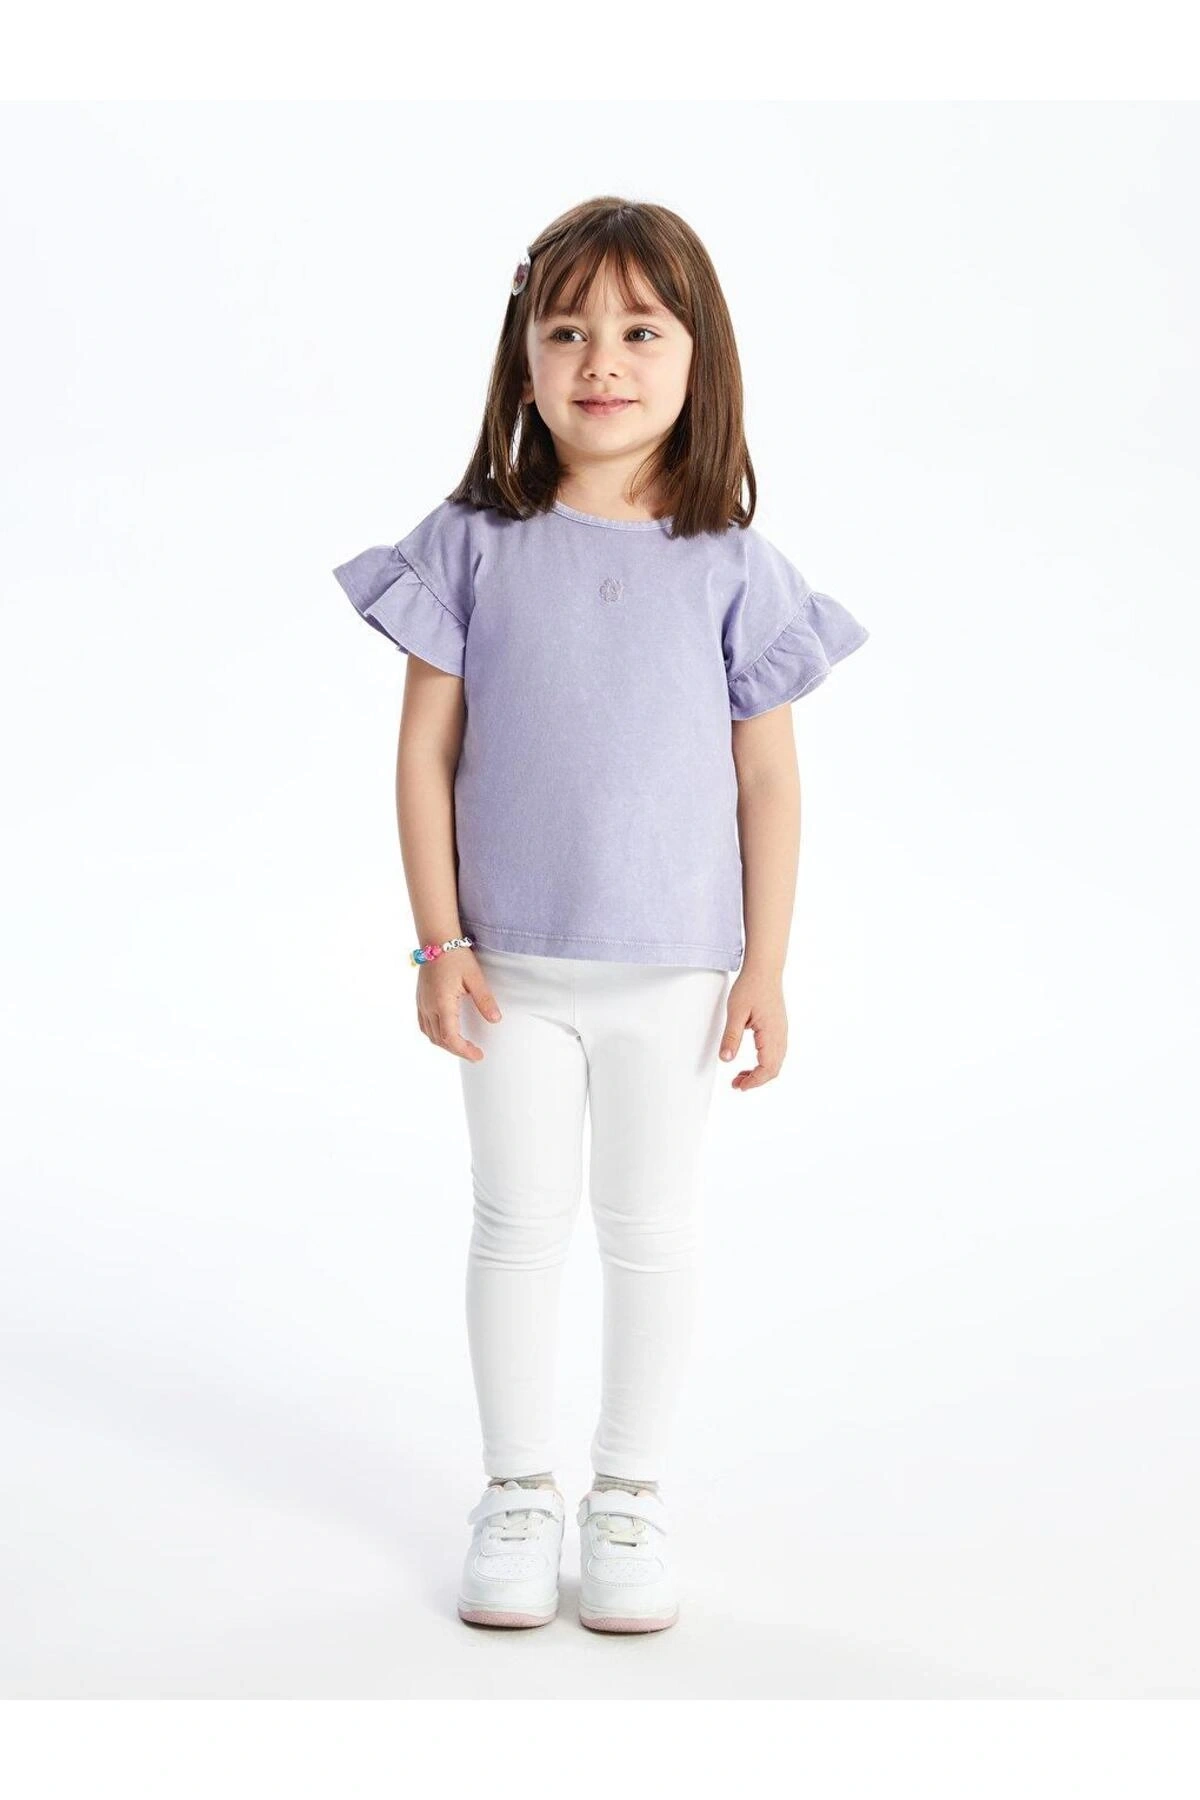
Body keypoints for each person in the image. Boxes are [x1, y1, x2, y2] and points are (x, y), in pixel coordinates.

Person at [332, 195, 869, 1634]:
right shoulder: (471, 544)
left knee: (649, 1229)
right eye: (566, 331)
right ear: (523, 358)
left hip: (675, 971)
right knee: (515, 1224)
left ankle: (627, 1496)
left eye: (639, 330)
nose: (602, 362)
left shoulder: (734, 566)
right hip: (505, 967)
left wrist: (766, 967)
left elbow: (767, 778)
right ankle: (518, 1491)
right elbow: (424, 755)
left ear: (701, 356)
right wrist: (440, 942)